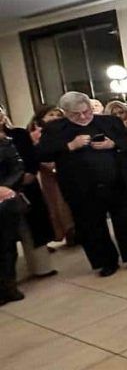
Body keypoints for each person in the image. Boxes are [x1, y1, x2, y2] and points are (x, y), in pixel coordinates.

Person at [37, 92, 127, 277]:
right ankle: (107, 262)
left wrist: (113, 144)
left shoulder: (109, 122)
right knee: (93, 227)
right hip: (82, 189)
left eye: (86, 112)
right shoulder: (55, 129)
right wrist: (70, 146)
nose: (83, 117)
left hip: (118, 183)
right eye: (76, 114)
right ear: (65, 112)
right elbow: (41, 154)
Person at [0, 106, 56, 278]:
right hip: (2, 192)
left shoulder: (18, 134)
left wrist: (28, 174)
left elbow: (31, 157)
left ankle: (41, 267)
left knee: (33, 228)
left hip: (26, 185)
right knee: (6, 237)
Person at [29, 105, 75, 246]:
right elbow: (37, 155)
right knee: (57, 204)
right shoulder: (36, 133)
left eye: (58, 114)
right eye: (51, 114)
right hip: (49, 175)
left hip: (69, 171)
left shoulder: (68, 130)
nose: (55, 117)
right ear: (41, 118)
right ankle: (66, 233)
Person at [0, 131, 25, 304]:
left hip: (5, 200)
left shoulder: (5, 144)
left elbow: (17, 168)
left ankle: (9, 285)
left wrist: (5, 187)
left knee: (7, 246)